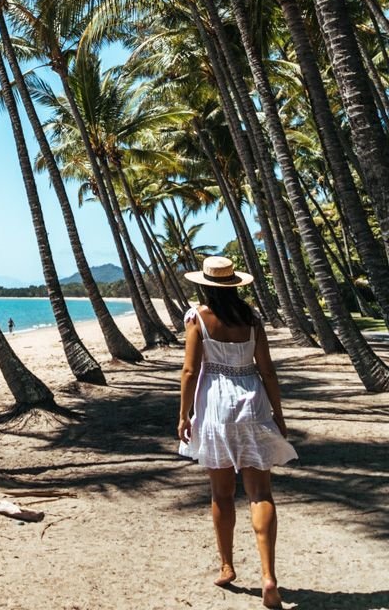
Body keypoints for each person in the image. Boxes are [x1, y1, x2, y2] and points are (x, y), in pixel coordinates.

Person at [178, 256, 297, 608]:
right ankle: (268, 575)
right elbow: (269, 371)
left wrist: (184, 415)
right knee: (261, 493)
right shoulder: (252, 320)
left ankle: (227, 566)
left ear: (204, 286)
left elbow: (189, 371)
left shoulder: (198, 319)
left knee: (222, 494)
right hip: (252, 402)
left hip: (215, 407)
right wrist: (278, 412)